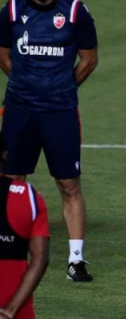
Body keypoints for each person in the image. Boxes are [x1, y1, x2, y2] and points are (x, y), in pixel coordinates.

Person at [0, 0, 98, 282]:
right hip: (19, 111)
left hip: (60, 113)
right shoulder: (12, 11)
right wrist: (26, 86)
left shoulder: (75, 12)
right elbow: (3, 56)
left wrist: (62, 88)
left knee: (69, 184)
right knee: (12, 182)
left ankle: (76, 261)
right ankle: (12, 250)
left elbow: (89, 60)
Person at [0, 134, 50, 319]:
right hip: (17, 312)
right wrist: (9, 311)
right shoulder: (29, 197)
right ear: (5, 155)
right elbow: (41, 258)